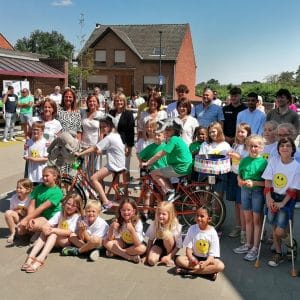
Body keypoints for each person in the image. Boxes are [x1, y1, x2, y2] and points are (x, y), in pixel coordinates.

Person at [262, 137, 300, 267]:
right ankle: (278, 253)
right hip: (272, 196)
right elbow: (268, 180)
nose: (284, 148)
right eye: (282, 146)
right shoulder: (274, 161)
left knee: (279, 230)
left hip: (286, 199)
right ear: (278, 149)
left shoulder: (296, 166)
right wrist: (269, 199)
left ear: (293, 150)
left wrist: (283, 203)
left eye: (288, 146)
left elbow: (293, 188)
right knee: (273, 225)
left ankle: (291, 244)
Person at [21, 193, 83, 272]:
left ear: (77, 208)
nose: (70, 207)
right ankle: (31, 256)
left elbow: (68, 232)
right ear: (65, 202)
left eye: (73, 206)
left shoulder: (77, 217)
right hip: (56, 239)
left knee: (53, 233)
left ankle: (41, 258)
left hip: (66, 241)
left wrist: (53, 230)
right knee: (45, 232)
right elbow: (48, 224)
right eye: (68, 203)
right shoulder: (60, 213)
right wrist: (45, 228)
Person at [76, 115, 125, 212]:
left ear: (110, 126)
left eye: (104, 126)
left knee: (94, 178)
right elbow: (110, 150)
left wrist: (80, 153)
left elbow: (95, 148)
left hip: (114, 165)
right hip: (119, 163)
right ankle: (109, 199)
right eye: (101, 127)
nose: (102, 129)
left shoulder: (109, 137)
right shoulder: (116, 135)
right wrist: (101, 151)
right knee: (108, 183)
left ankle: (106, 202)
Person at [233, 135, 267, 262]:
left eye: (256, 146)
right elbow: (239, 176)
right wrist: (240, 181)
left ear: (261, 148)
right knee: (247, 219)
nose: (253, 148)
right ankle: (248, 244)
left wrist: (254, 183)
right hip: (245, 191)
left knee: (256, 220)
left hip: (257, 192)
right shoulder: (244, 160)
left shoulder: (264, 162)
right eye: (250, 146)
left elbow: (267, 183)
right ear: (247, 147)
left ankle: (255, 247)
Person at [141, 119, 192, 202]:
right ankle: (171, 192)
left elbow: (160, 154)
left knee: (153, 173)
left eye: (169, 130)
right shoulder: (177, 139)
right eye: (165, 129)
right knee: (163, 175)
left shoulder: (174, 139)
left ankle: (170, 192)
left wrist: (147, 162)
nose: (166, 131)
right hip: (183, 166)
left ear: (175, 131)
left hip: (180, 167)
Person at [175, 206, 225, 280]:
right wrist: (191, 258)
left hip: (208, 260)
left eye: (202, 216)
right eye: (197, 216)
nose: (198, 218)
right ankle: (207, 274)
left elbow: (212, 255)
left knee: (220, 266)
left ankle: (188, 272)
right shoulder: (192, 228)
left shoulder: (213, 233)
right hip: (195, 258)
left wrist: (206, 263)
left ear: (209, 219)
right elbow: (188, 249)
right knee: (179, 259)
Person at [17, 166, 63, 235]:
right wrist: (29, 218)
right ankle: (36, 231)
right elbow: (32, 204)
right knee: (20, 231)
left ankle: (39, 232)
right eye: (43, 176)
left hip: (49, 219)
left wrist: (26, 219)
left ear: (55, 176)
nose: (44, 178)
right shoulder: (39, 187)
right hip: (39, 215)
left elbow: (41, 208)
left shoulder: (57, 192)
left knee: (31, 225)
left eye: (47, 176)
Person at [226, 123, 251, 243]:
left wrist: (238, 156)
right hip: (233, 174)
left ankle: (244, 231)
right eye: (238, 131)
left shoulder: (248, 147)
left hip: (242, 177)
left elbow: (247, 161)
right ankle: (238, 226)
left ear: (248, 133)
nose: (240, 134)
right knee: (236, 204)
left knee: (242, 205)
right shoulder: (235, 145)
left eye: (243, 132)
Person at [103, 198, 146, 263]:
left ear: (134, 211)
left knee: (142, 249)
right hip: (124, 242)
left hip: (135, 245)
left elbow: (138, 244)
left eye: (129, 210)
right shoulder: (118, 220)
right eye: (123, 210)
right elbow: (110, 239)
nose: (126, 212)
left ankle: (117, 253)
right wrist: (111, 227)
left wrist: (132, 230)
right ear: (120, 211)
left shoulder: (138, 222)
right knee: (106, 241)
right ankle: (129, 257)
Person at [199, 121, 232, 200]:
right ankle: (206, 212)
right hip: (206, 174)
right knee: (206, 197)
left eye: (213, 132)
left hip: (221, 175)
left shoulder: (225, 145)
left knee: (217, 198)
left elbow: (229, 160)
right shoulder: (205, 144)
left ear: (219, 131)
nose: (212, 134)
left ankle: (216, 213)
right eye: (210, 132)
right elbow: (201, 157)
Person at [144, 202, 182, 266]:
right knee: (151, 261)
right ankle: (161, 257)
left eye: (164, 214)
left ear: (170, 215)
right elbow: (150, 240)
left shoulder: (176, 226)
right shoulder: (155, 223)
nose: (160, 216)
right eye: (159, 213)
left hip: (171, 246)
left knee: (167, 234)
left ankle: (169, 257)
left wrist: (169, 256)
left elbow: (178, 246)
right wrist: (147, 256)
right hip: (159, 243)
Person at [109, 93, 135, 182]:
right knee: (114, 169)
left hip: (124, 145)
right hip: (112, 145)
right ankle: (117, 193)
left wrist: (129, 146)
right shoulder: (111, 112)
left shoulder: (128, 114)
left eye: (120, 100)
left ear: (124, 102)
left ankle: (126, 191)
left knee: (125, 169)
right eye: (116, 100)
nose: (119, 102)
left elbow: (131, 132)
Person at [80, 94, 104, 178]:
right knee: (83, 170)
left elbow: (102, 131)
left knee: (93, 170)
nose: (92, 103)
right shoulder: (83, 112)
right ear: (87, 102)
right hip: (83, 145)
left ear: (97, 103)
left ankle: (92, 190)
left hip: (95, 146)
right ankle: (84, 189)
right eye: (90, 101)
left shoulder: (100, 114)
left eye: (94, 101)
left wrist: (100, 146)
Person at [4, 178, 33, 243]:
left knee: (21, 233)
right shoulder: (14, 197)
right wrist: (18, 211)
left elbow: (32, 213)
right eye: (17, 187)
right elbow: (12, 210)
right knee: (7, 213)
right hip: (19, 217)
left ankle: (27, 233)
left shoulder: (31, 198)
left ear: (28, 190)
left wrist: (23, 209)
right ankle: (13, 233)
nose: (18, 189)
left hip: (27, 220)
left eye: (20, 188)